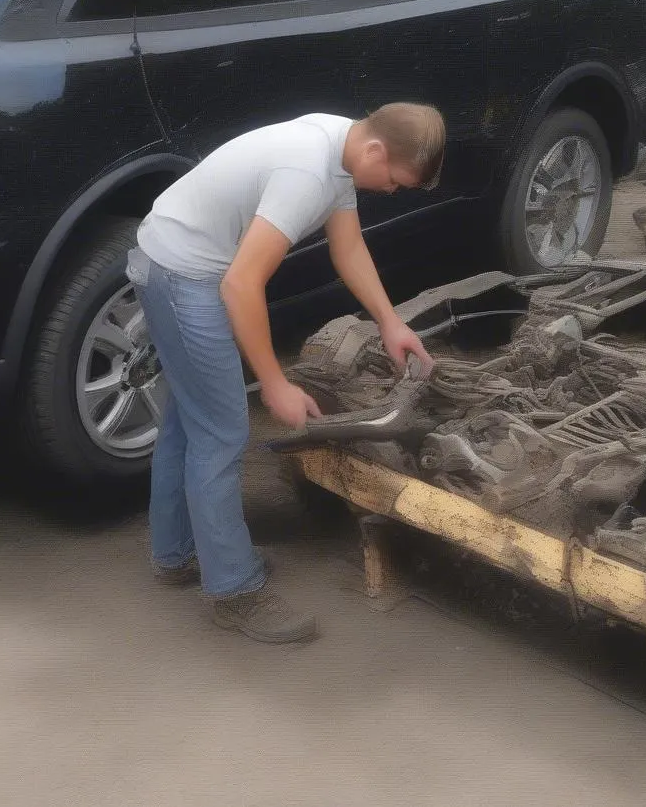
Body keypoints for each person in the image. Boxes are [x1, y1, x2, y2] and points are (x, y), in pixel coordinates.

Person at [125, 103, 445, 644]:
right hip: (184, 277)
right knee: (223, 432)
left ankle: (178, 554)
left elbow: (347, 247)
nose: (391, 192)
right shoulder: (307, 173)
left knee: (191, 419)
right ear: (375, 152)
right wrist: (275, 382)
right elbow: (240, 286)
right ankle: (234, 590)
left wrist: (390, 322)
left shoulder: (340, 147)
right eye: (394, 181)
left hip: (170, 260)